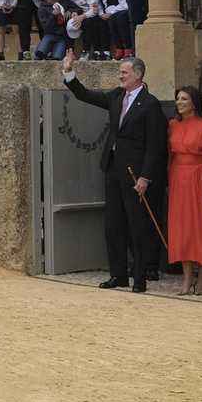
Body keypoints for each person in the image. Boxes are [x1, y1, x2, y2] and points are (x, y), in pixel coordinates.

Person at [61, 49, 168, 292]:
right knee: (113, 225)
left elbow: (154, 144)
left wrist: (145, 177)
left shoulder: (150, 104)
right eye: (120, 72)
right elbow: (85, 95)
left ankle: (140, 278)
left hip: (136, 173)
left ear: (137, 74)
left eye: (124, 72)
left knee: (137, 225)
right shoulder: (117, 95)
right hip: (112, 167)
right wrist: (69, 72)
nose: (120, 76)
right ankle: (118, 275)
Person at [166, 85, 202, 294]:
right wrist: (169, 182)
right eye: (178, 99)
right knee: (181, 229)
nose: (179, 102)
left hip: (200, 176)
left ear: (194, 103)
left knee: (201, 226)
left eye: (184, 99)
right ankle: (187, 277)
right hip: (178, 179)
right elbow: (170, 157)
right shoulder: (172, 125)